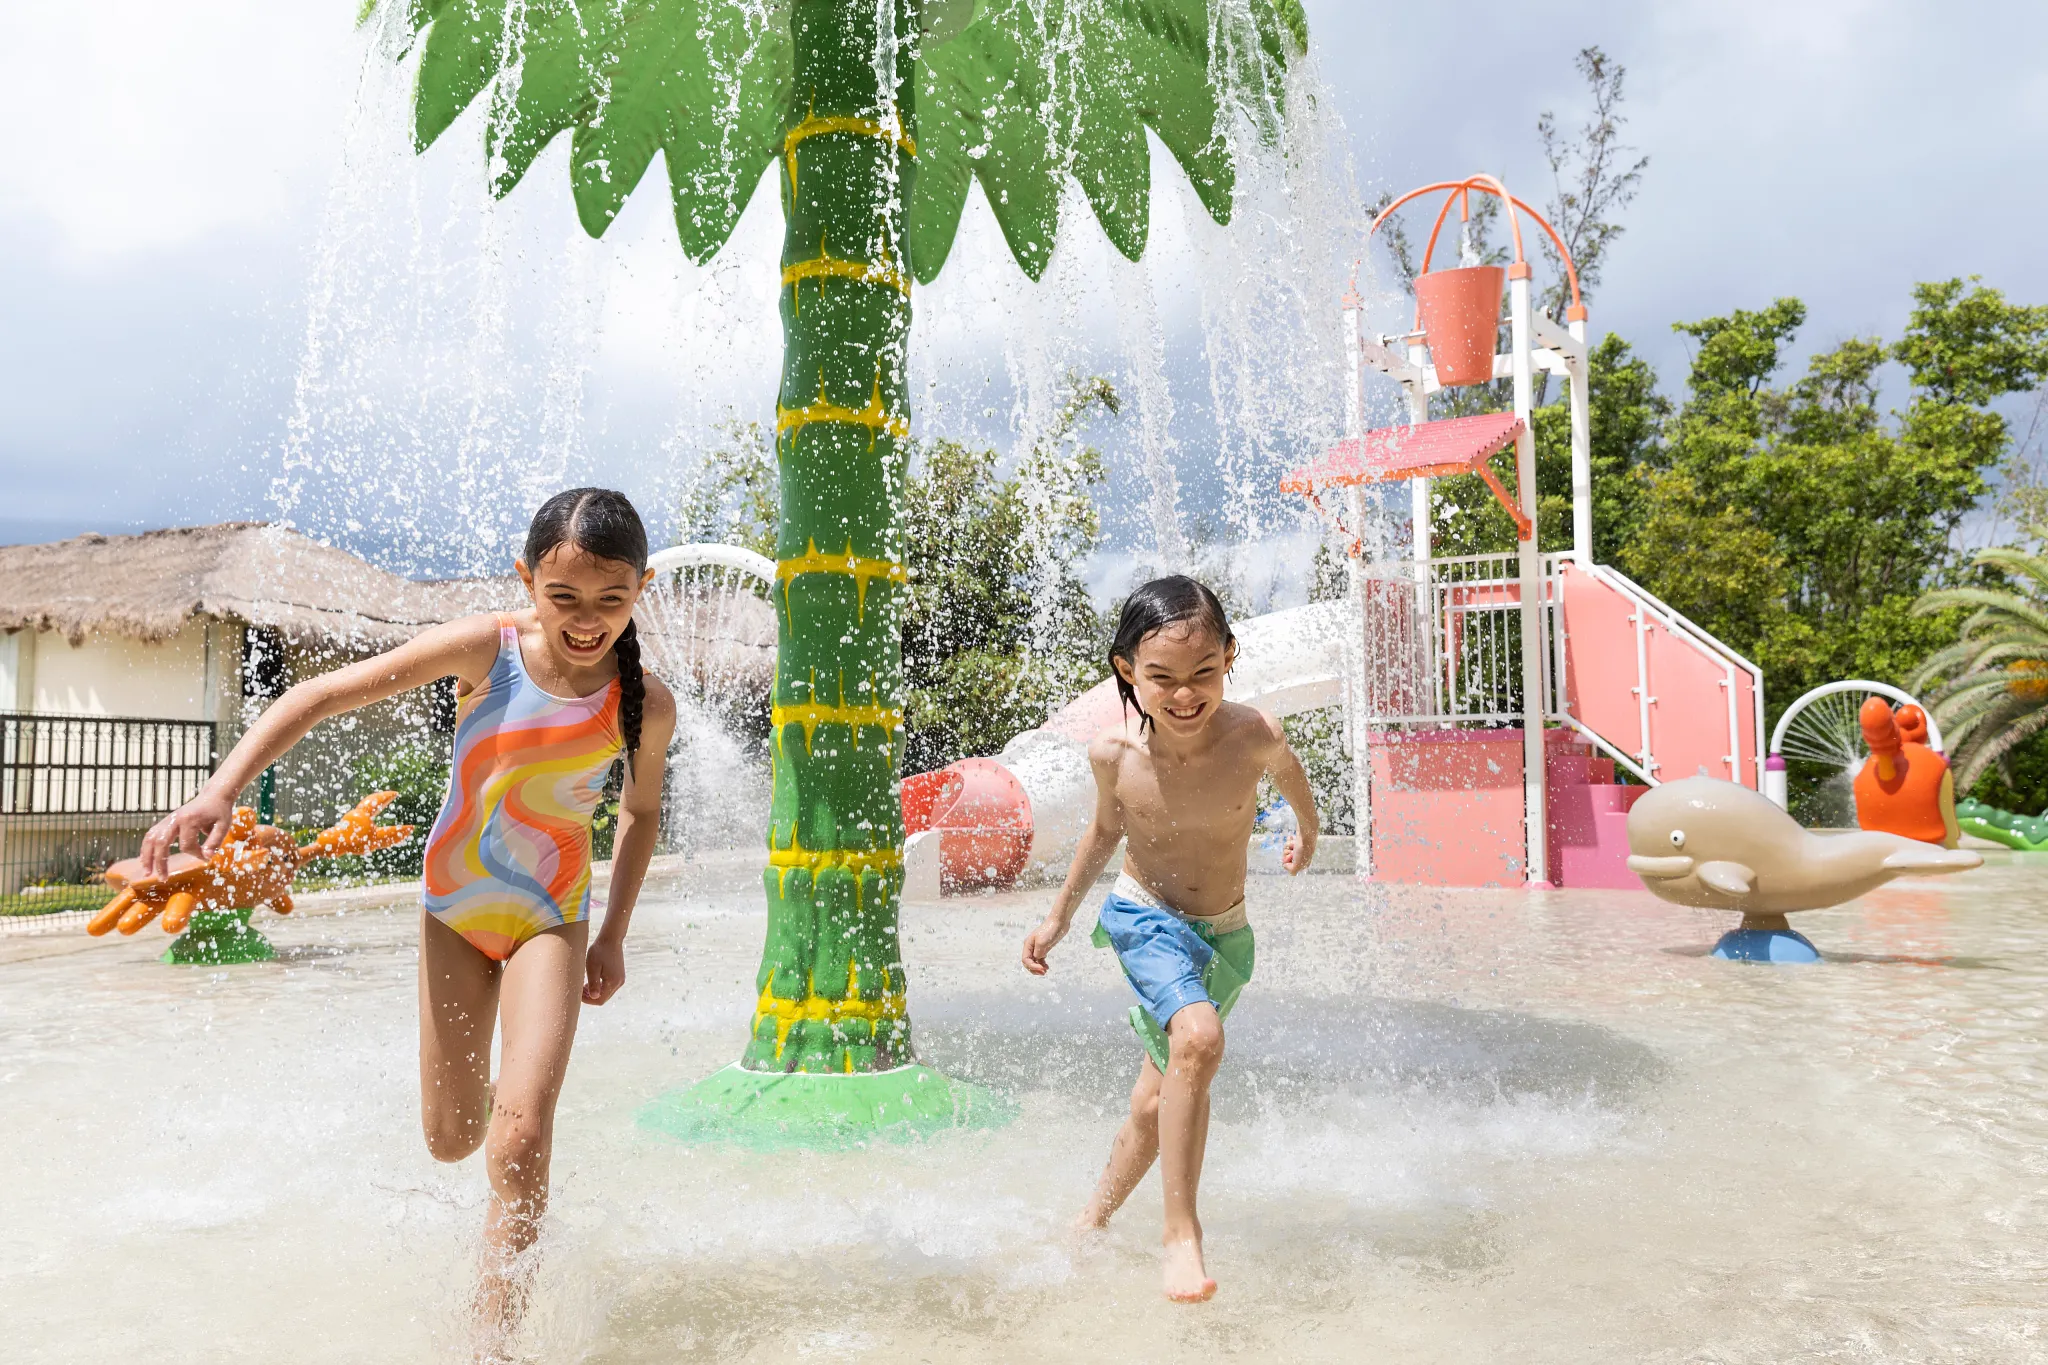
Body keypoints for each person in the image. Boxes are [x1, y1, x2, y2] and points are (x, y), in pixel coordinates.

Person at [140, 488, 676, 1348]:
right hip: (455, 911)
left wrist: (611, 930)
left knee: (519, 1141)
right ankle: (504, 1113)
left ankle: (489, 1340)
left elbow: (640, 814)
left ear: (641, 589)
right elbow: (320, 695)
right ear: (527, 579)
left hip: (551, 916)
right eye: (564, 597)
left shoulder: (642, 699)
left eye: (611, 600)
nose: (587, 621)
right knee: (454, 1139)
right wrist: (220, 790)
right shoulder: (486, 648)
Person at [1020, 575, 1319, 1303]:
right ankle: (1180, 1233)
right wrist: (1059, 915)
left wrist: (1308, 831)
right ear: (1127, 670)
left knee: (1158, 1106)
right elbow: (1103, 831)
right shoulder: (1113, 753)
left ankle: (1090, 1217)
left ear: (1229, 658)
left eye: (1203, 675)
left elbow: (1296, 782)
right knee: (1198, 1037)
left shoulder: (1256, 736)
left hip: (1225, 935)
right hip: (1146, 915)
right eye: (1162, 679)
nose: (1185, 695)